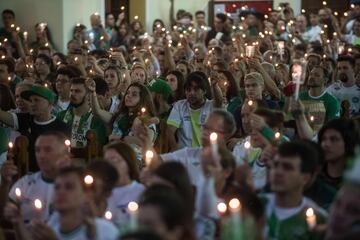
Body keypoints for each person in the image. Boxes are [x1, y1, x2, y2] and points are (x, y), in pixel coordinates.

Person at [262, 140, 328, 239]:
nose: (278, 172)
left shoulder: (318, 218)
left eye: (287, 167)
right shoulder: (255, 205)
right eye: (275, 165)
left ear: (305, 178)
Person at [0, 131, 71, 223]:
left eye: (48, 150)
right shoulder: (26, 183)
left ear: (64, 155)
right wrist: (5, 183)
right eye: (37, 150)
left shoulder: (75, 185)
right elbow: (4, 216)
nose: (41, 155)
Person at [0, 84, 70, 171]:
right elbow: (4, 116)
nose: (32, 104)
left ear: (50, 104)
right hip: (25, 175)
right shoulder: (25, 119)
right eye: (30, 100)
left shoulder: (61, 128)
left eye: (36, 100)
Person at [166, 72, 221, 149]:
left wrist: (215, 85)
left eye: (196, 89)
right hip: (185, 155)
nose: (192, 93)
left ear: (204, 91)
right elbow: (170, 131)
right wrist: (176, 151)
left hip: (206, 155)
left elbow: (219, 101)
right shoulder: (179, 106)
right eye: (188, 90)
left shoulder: (210, 106)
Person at [103, 141, 145, 228]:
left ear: (128, 163)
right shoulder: (102, 193)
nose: (110, 165)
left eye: (114, 160)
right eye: (107, 162)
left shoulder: (142, 192)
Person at [57, 77, 107, 147]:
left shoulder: (96, 120)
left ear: (88, 95)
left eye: (77, 91)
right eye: (71, 90)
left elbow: (98, 148)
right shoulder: (60, 116)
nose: (72, 94)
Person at [318, 118, 359, 190]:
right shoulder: (315, 175)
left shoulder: (354, 181)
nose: (326, 144)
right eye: (323, 139)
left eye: (334, 139)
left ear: (348, 143)